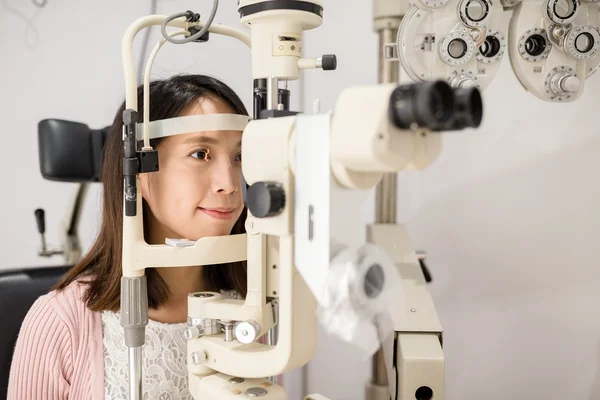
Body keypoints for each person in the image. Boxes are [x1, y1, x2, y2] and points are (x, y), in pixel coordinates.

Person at [7, 74, 249, 400]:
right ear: (140, 170)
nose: (229, 183)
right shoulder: (60, 323)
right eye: (201, 154)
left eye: (239, 156)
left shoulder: (252, 305)